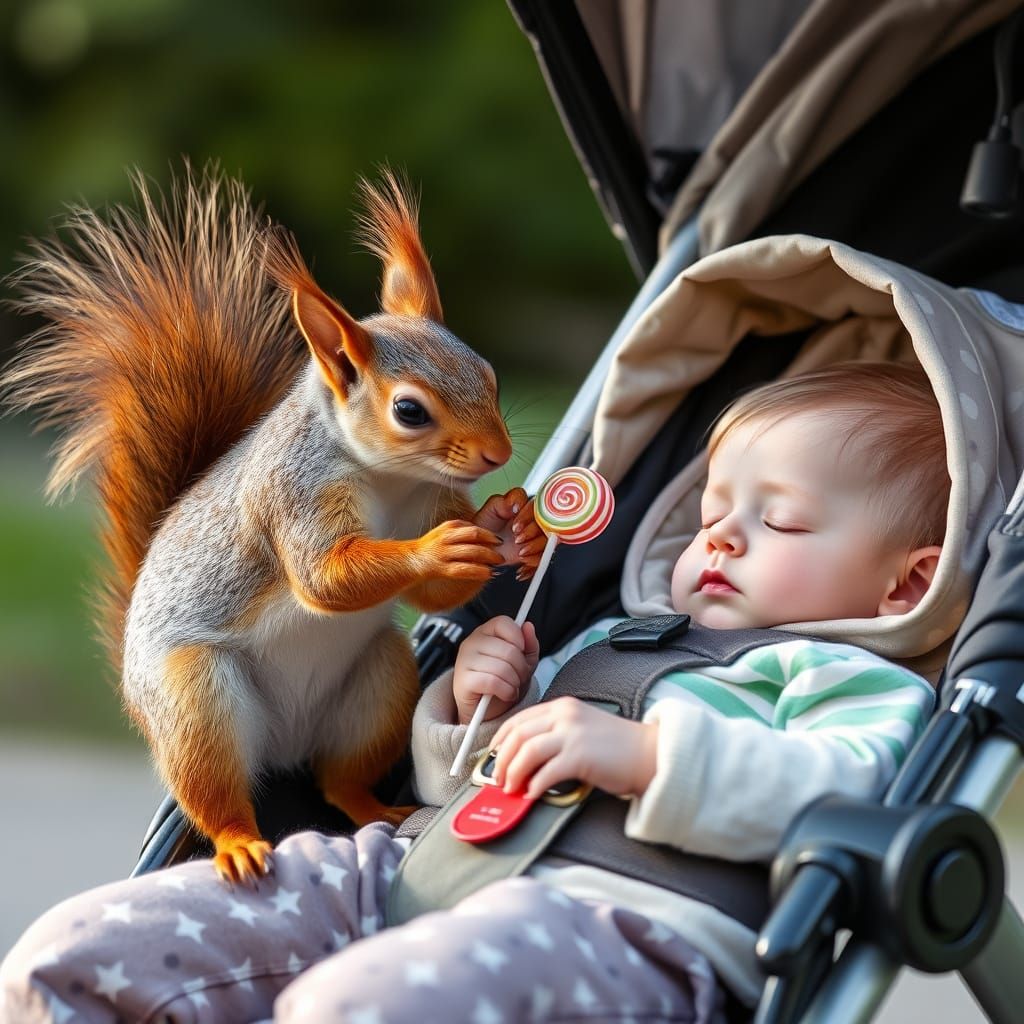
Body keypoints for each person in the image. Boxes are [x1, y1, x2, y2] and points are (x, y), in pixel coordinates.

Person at [0, 361, 951, 1024]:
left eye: (776, 521)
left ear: (904, 583)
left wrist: (650, 757)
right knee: (77, 950)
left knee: (355, 1008)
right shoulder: (619, 636)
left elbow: (851, 790)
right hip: (417, 868)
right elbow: (461, 782)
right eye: (711, 514)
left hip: (615, 927)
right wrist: (468, 705)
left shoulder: (854, 682)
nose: (722, 538)